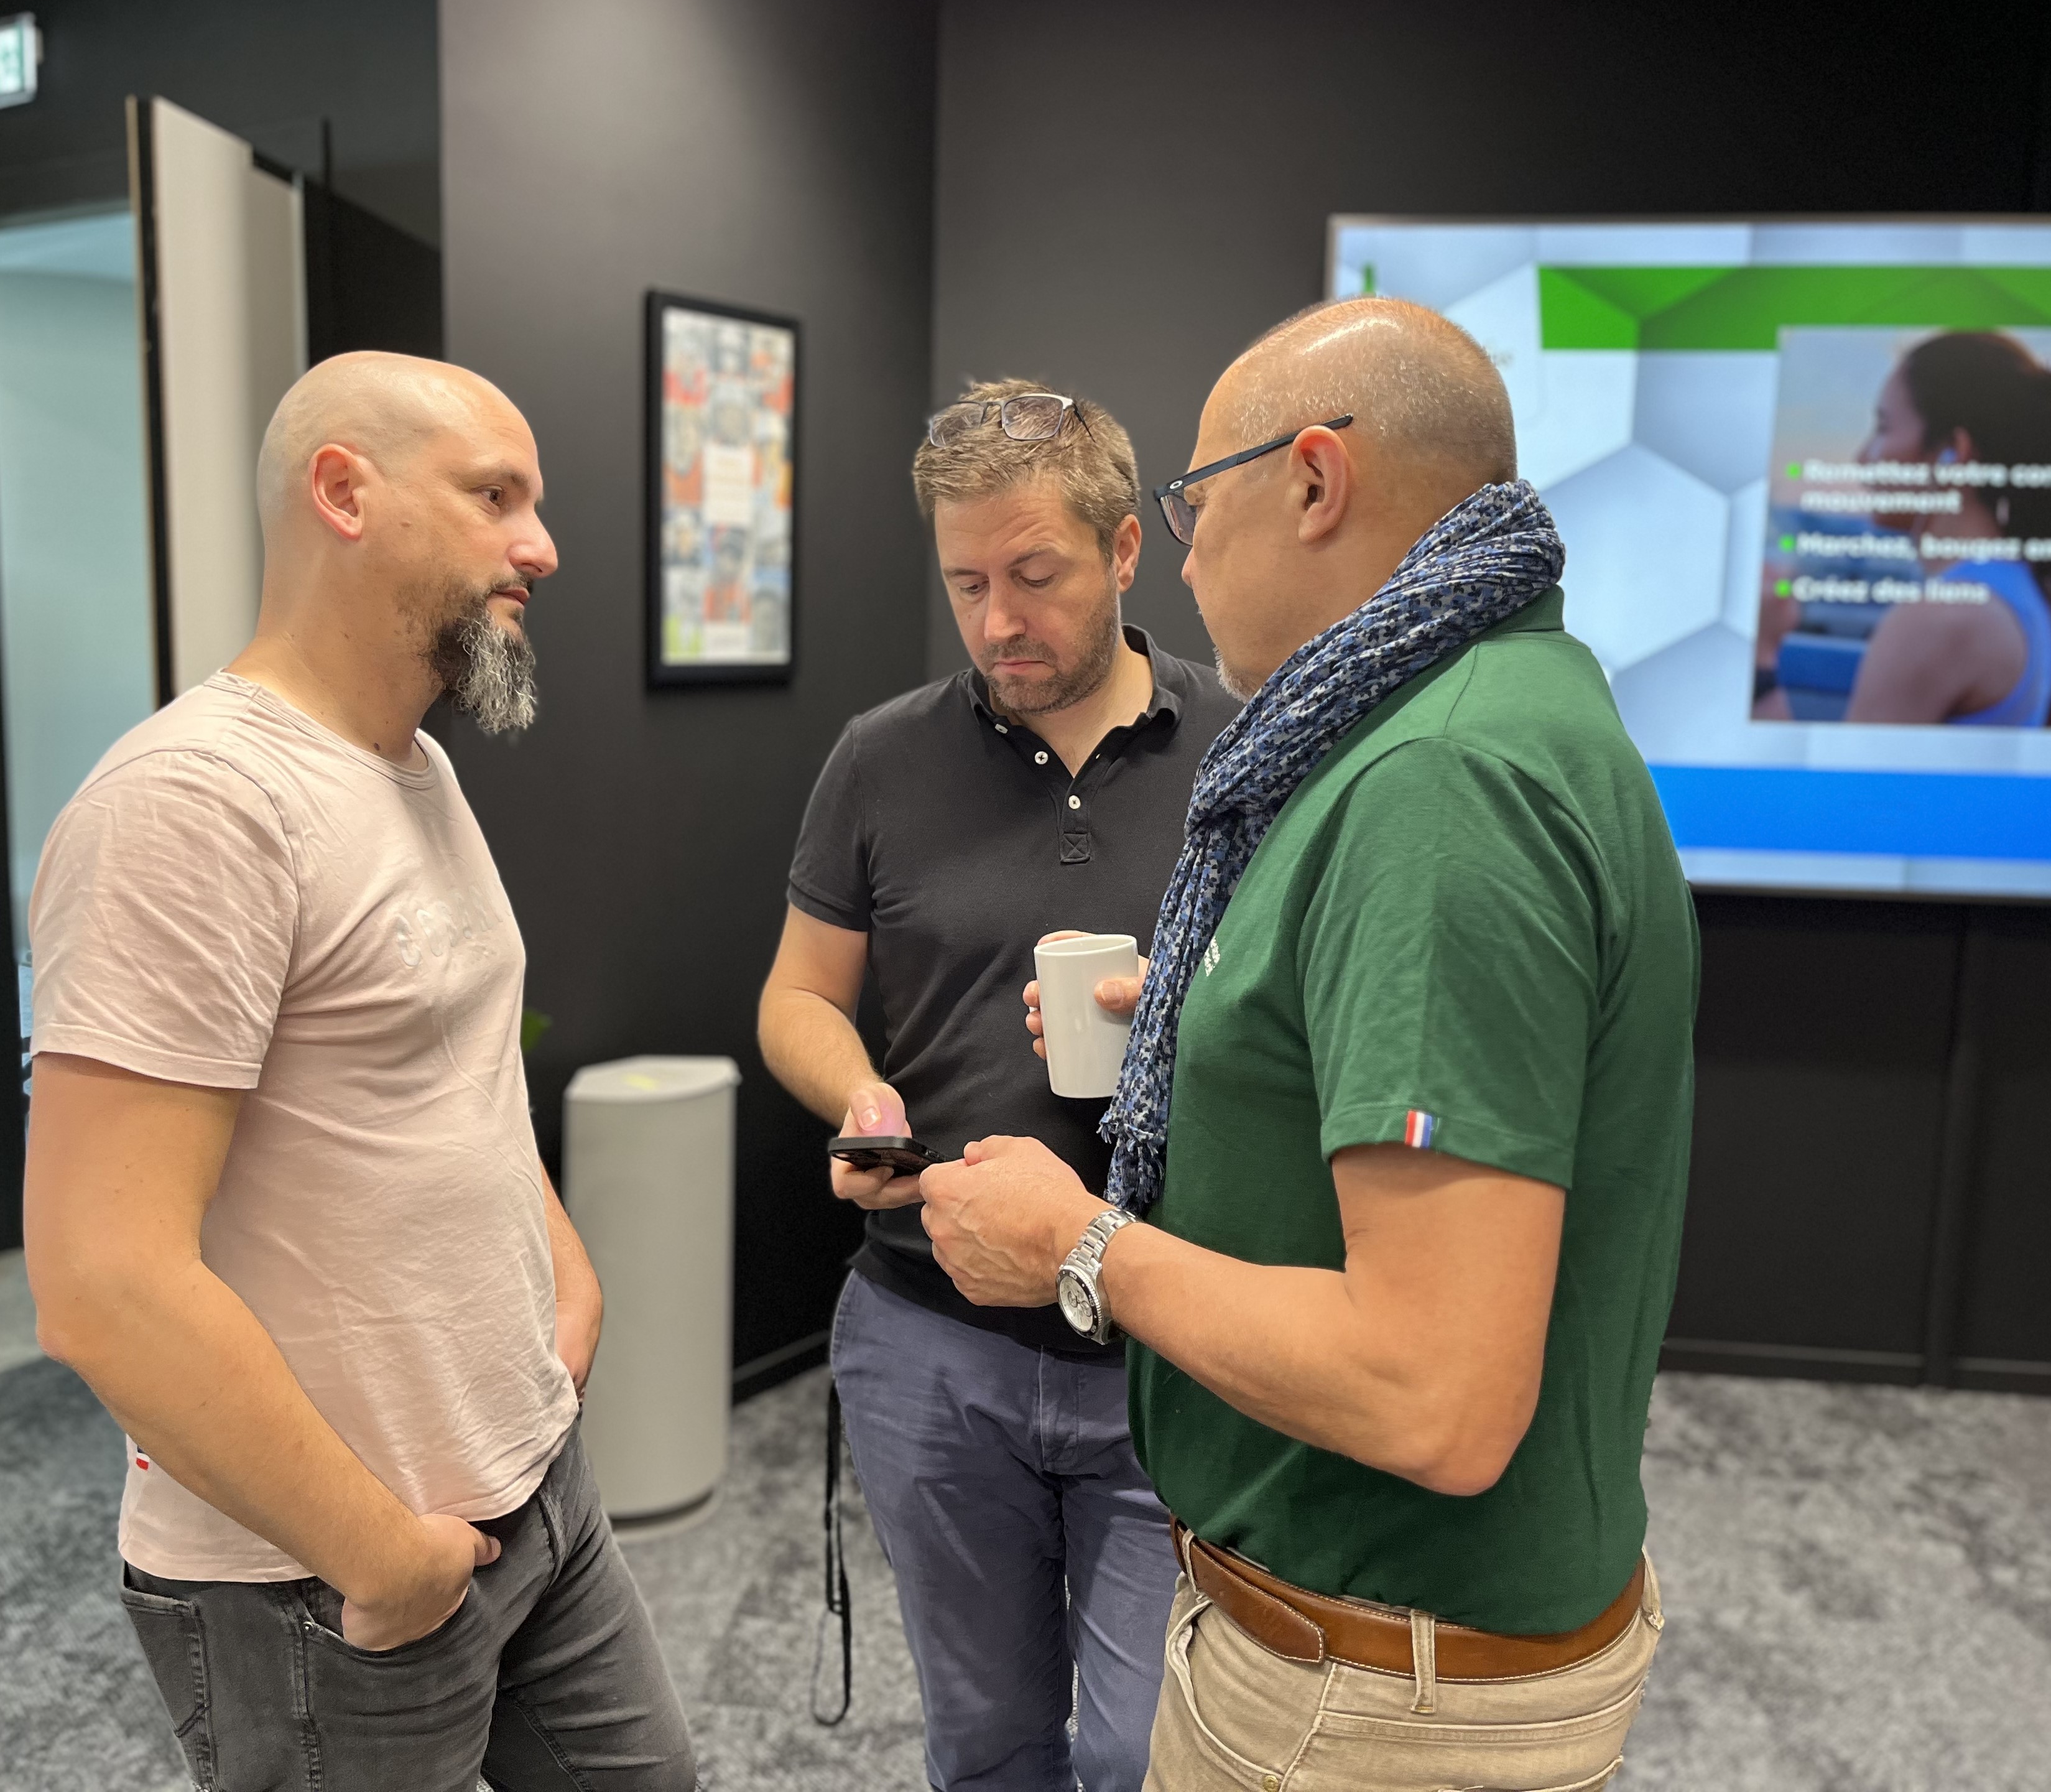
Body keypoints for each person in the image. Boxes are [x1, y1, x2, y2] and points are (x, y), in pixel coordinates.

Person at [920, 300, 1697, 1790]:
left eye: (1194, 506)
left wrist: (1074, 1245)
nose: (1188, 553)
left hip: (1365, 1694)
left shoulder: (1437, 782)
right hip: (1407, 1654)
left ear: (1313, 481)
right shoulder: (1506, 701)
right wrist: (1227, 1019)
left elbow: (1434, 1394)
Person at [24, 353, 696, 1792]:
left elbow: (447, 1075)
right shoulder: (192, 808)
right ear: (344, 490)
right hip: (324, 1586)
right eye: (495, 498)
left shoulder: (412, 766)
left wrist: (561, 1284)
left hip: (534, 1494)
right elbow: (99, 1283)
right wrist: (380, 1560)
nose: (543, 547)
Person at [757, 380, 1237, 1791]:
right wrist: (857, 1096)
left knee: (1141, 1754)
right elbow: (796, 996)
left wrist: (1188, 1018)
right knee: (985, 1747)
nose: (995, 623)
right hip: (928, 1340)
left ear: (1124, 554)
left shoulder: (1246, 752)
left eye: (1032, 576)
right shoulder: (879, 758)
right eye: (965, 582)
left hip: (1162, 1334)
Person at [1754, 330, 2051, 728]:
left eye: (1884, 427)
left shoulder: (1941, 620)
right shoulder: (2020, 595)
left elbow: (1850, 791)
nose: (1861, 458)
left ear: (1952, 454)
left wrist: (1761, 661)